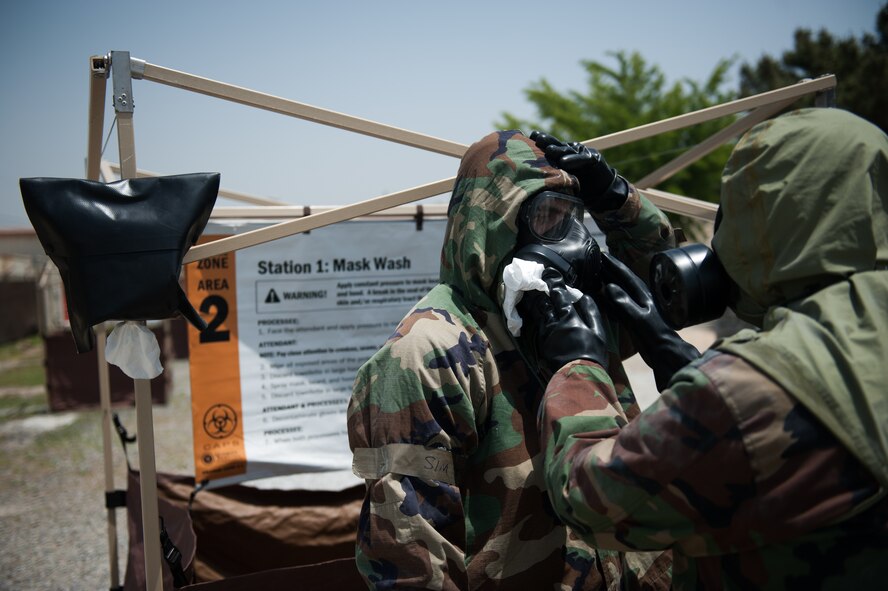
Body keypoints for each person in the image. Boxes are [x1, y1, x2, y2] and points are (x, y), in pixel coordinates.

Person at [525, 108, 888, 589]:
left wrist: (578, 366)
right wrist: (681, 362)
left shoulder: (748, 388)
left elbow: (585, 497)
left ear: (763, 225)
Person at [347, 129, 676, 589]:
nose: (568, 239)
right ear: (493, 223)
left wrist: (618, 198)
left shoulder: (566, 314)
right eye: (547, 217)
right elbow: (412, 557)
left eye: (571, 218)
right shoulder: (426, 355)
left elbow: (663, 287)